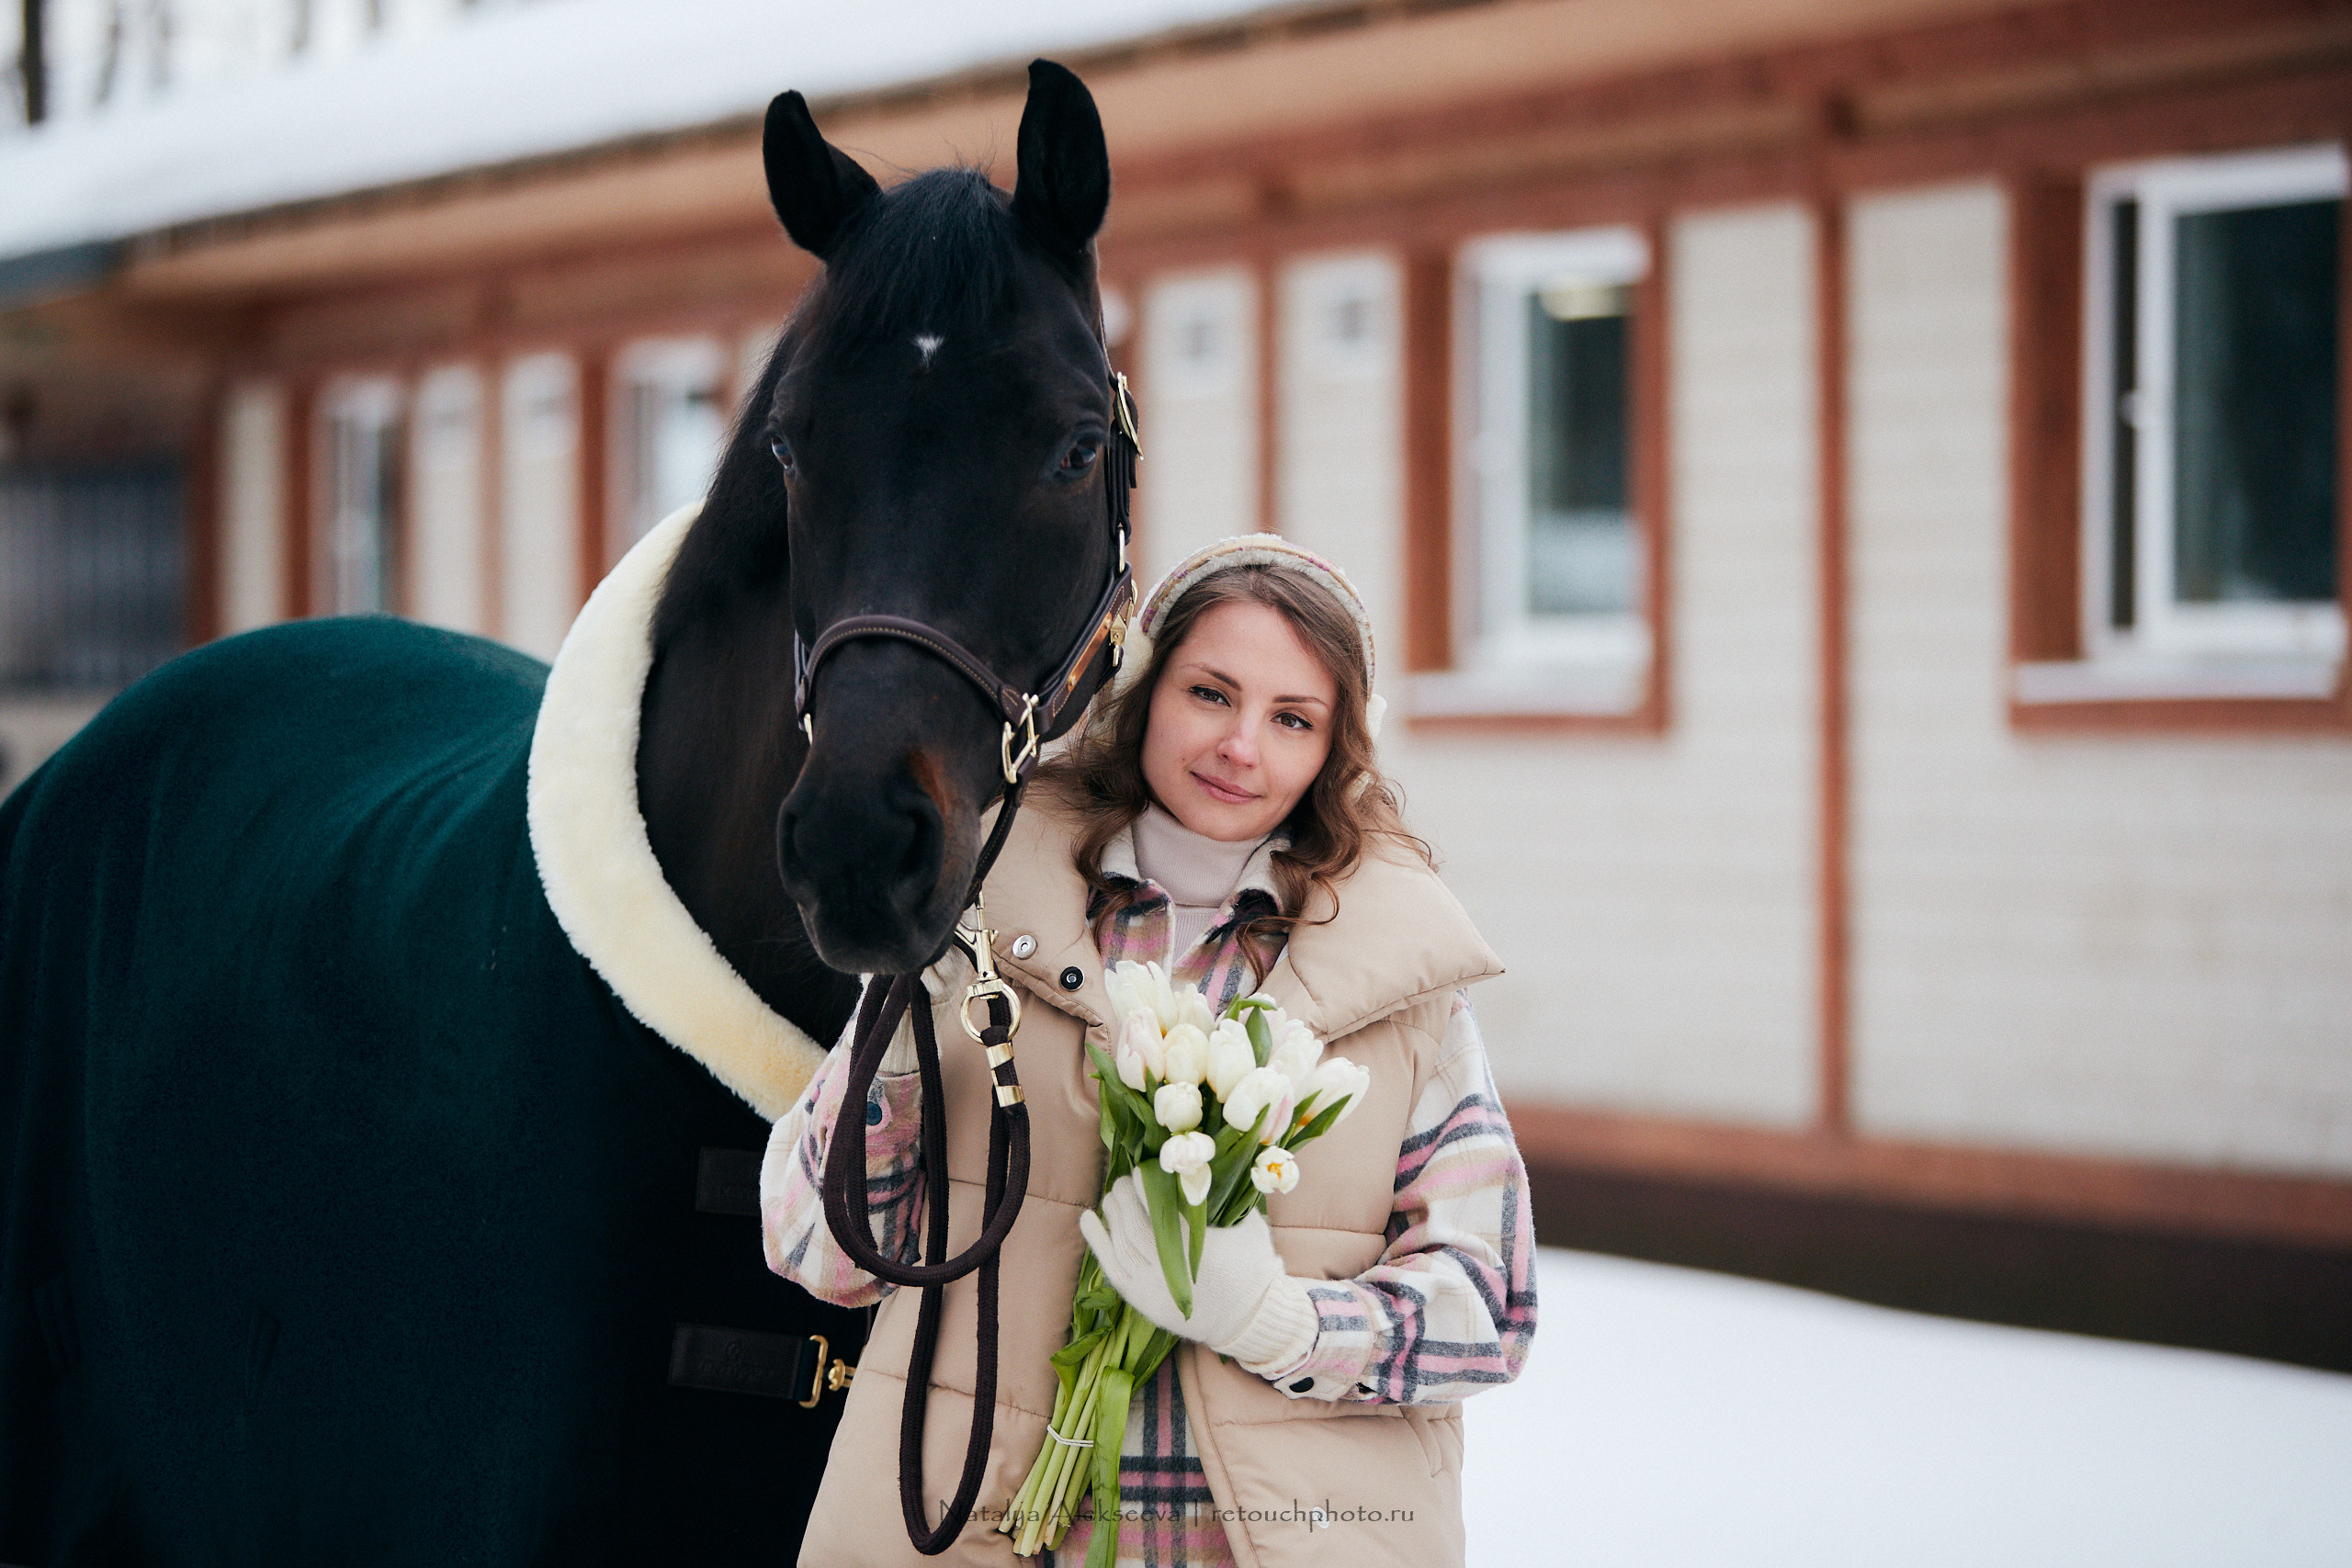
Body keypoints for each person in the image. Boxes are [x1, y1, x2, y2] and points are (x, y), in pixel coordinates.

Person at [761, 536, 1537, 1567]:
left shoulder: (1404, 984)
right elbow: (818, 1251)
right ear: (1141, 693)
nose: (1241, 747)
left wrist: (1280, 1322)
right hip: (965, 1527)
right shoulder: (972, 924)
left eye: (1292, 718)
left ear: (1334, 750)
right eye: (1210, 694)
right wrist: (898, 1047)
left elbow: (1492, 1308)